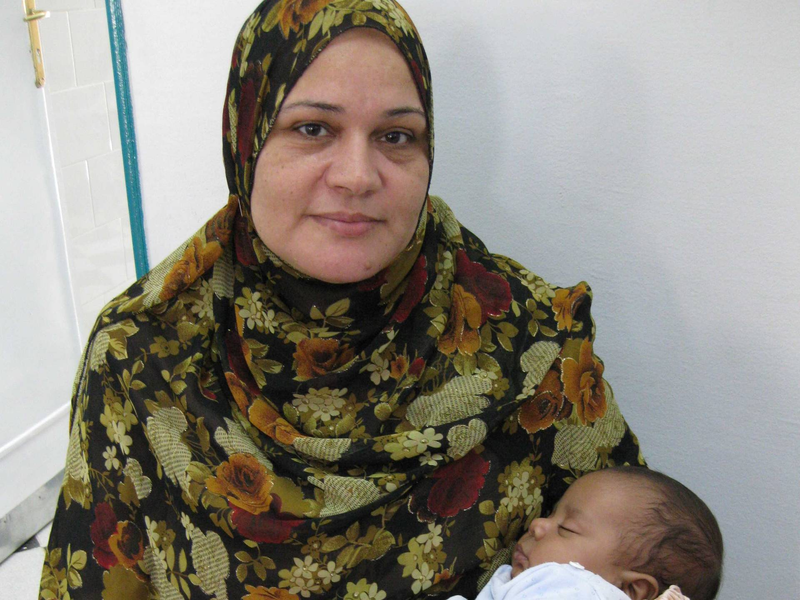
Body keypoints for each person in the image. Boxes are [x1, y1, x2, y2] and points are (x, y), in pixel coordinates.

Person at [39, 1, 644, 599]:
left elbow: (640, 566)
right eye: (313, 129)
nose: (357, 175)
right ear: (246, 140)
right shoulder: (141, 356)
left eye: (395, 136)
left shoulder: (533, 342)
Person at [447, 467, 723, 600]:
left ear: (630, 590)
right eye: (552, 513)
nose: (537, 525)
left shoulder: (574, 589)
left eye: (566, 528)